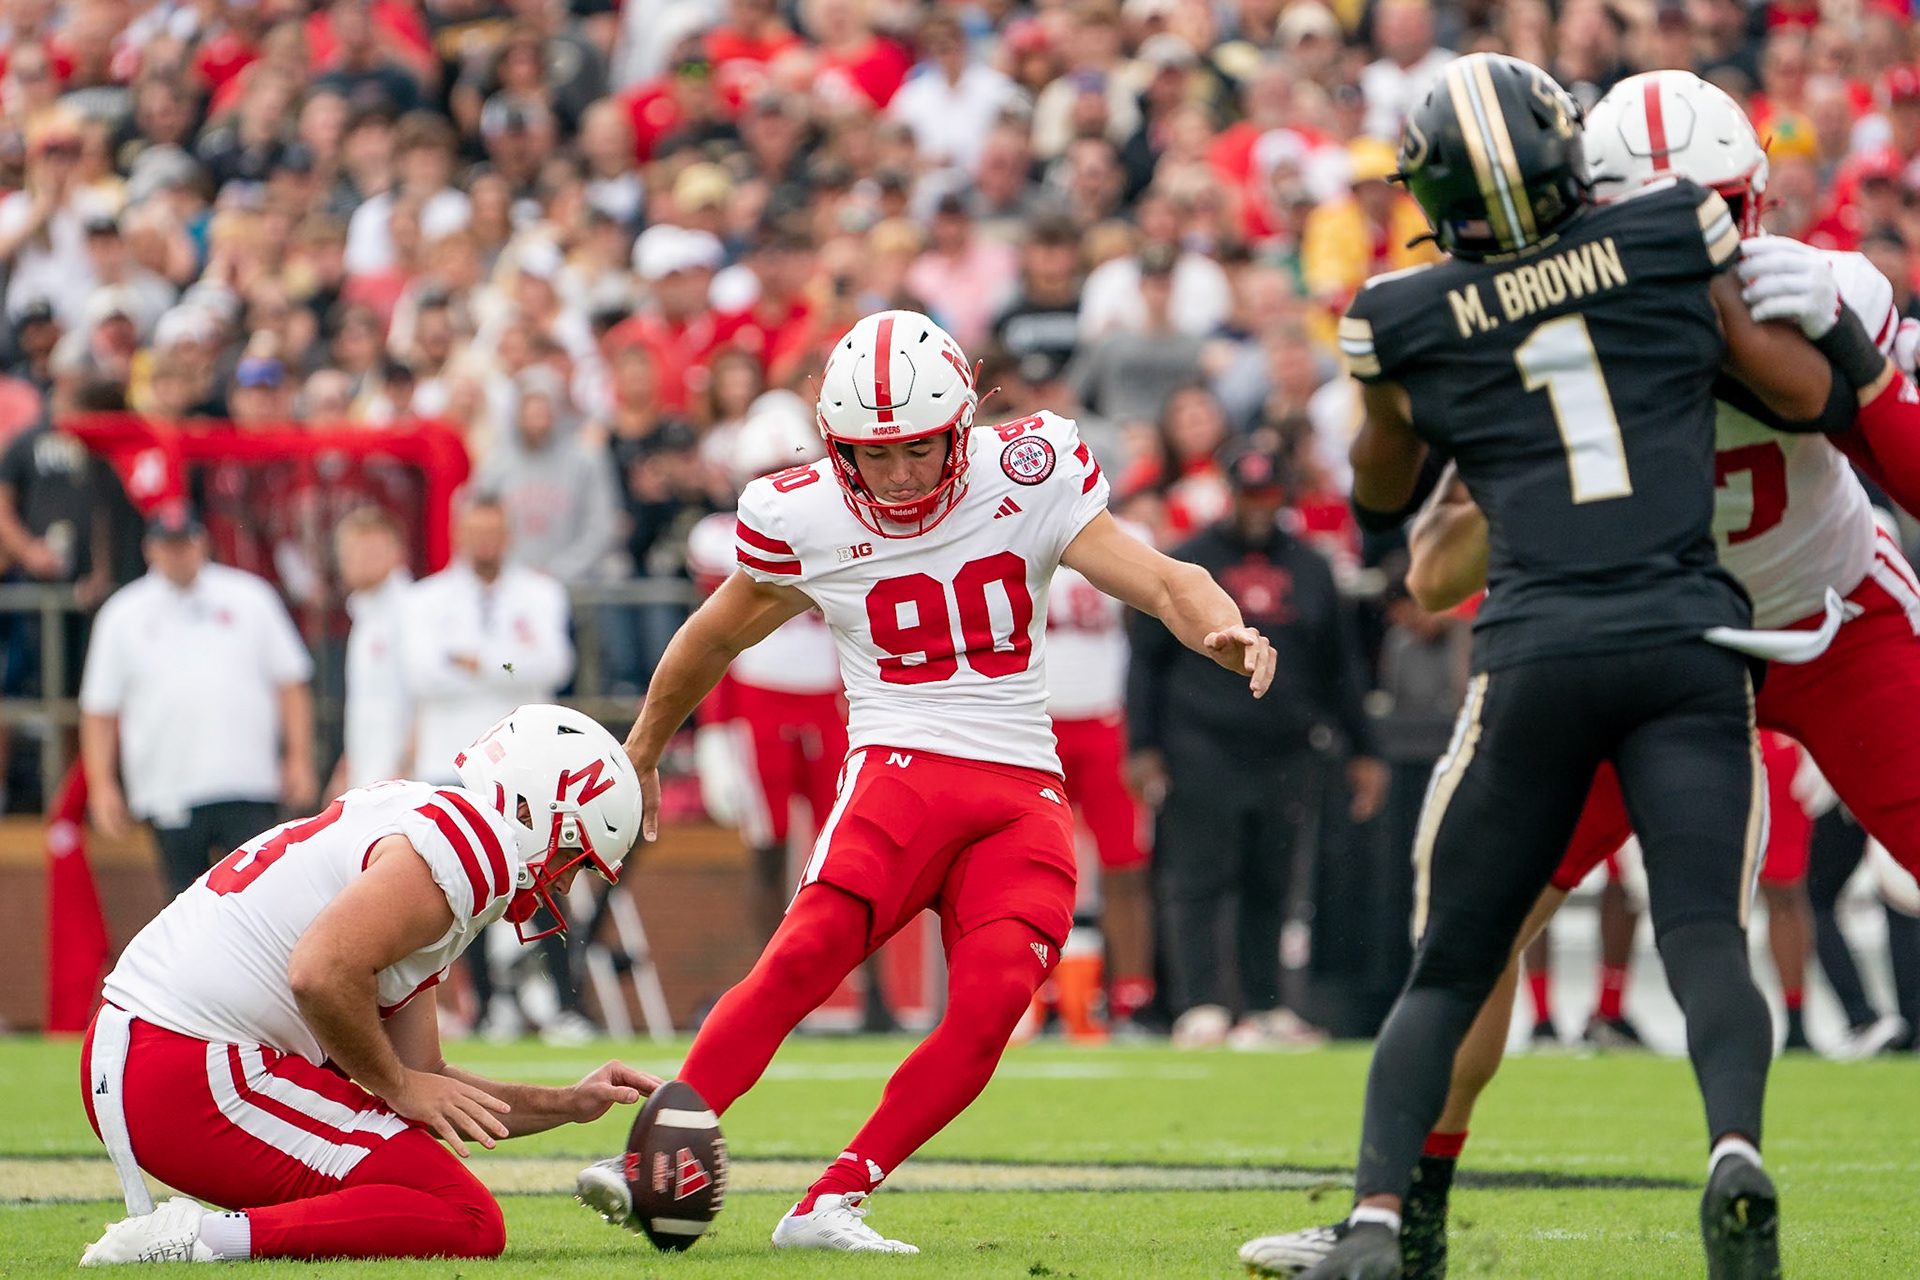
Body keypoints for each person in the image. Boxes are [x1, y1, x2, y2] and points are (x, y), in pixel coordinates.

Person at [1252, 70, 1920, 1280]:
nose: (1711, 232)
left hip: (1824, 615)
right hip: (1670, 645)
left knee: (1481, 932)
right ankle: (1411, 1214)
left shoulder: (1812, 286)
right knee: (1483, 927)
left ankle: (1383, 1212)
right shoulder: (1558, 307)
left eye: (1722, 205)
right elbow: (1436, 566)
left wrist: (1855, 356)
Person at [574, 309, 1276, 1253]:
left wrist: (1219, 627)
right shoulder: (806, 512)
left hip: (1021, 784)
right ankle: (650, 1158)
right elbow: (714, 635)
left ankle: (833, 1199)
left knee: (989, 1011)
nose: (899, 475)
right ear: (836, 446)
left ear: (964, 422)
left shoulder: (1029, 471)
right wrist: (646, 748)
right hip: (901, 768)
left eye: (918, 448)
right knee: (803, 958)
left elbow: (1160, 579)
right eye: (875, 454)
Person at [74, 705, 658, 1264]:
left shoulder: (432, 823)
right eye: (576, 855)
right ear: (531, 811)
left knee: (446, 1199)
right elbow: (320, 974)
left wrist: (567, 1104)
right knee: (467, 1217)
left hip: (149, 1054)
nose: (563, 884)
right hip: (183, 1065)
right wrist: (400, 1086)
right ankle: (194, 1239)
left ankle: (207, 1235)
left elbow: (426, 1079)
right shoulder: (471, 849)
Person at [1129, 442, 1386, 1048]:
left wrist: (1364, 749)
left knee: (1273, 880)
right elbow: (1148, 663)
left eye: (1268, 494)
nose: (1258, 506)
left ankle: (1265, 1007)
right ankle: (1199, 1005)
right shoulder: (1189, 563)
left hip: (1287, 745)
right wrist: (1142, 745)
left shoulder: (1312, 567)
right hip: (1202, 742)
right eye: (1249, 494)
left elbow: (1341, 667)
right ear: (1230, 493)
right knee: (1197, 878)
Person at [79, 501, 317, 896]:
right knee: (185, 905)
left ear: (202, 543)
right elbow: (100, 709)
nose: (178, 553)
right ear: (149, 550)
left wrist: (299, 757)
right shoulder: (123, 614)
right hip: (168, 787)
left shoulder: (250, 597)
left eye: (185, 542)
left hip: (248, 781)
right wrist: (101, 784)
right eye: (168, 544)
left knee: (263, 899)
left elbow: (291, 684)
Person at [332, 507, 412, 792]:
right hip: (369, 776)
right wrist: (347, 766)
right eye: (352, 552)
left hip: (400, 779)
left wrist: (405, 767)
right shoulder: (364, 614)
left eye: (372, 551)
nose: (360, 561)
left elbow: (424, 698)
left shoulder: (411, 610)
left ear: (397, 553)